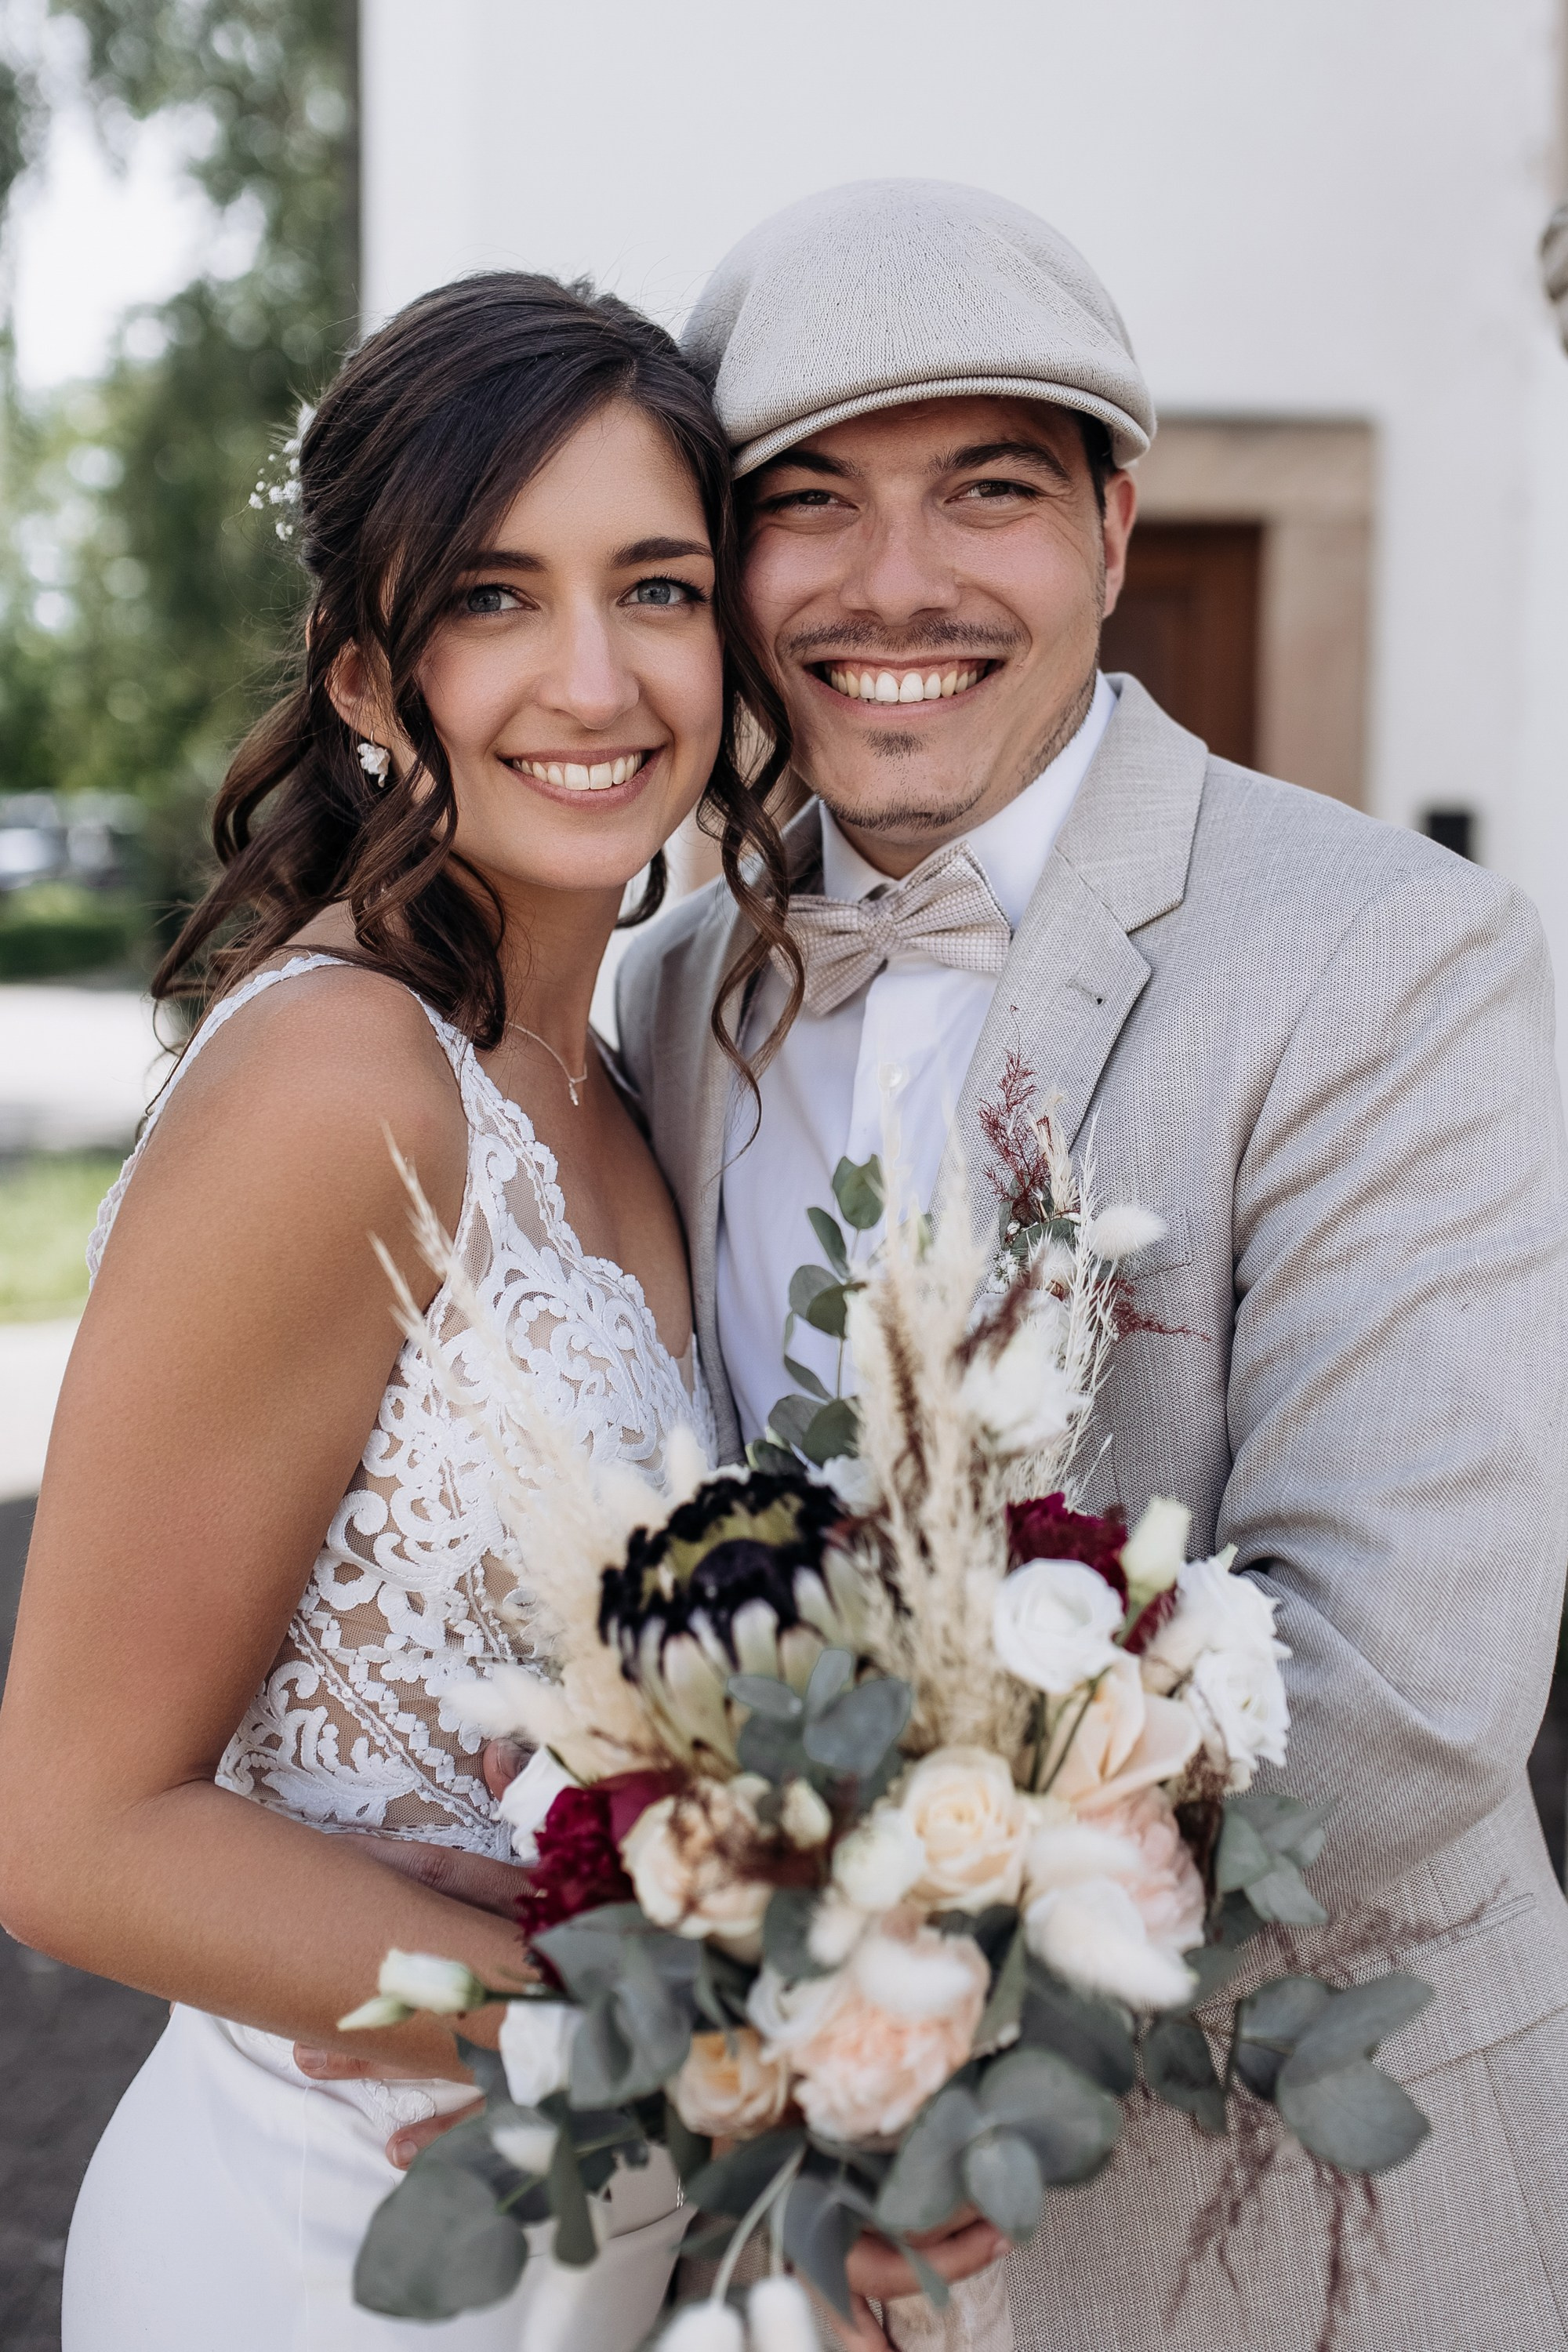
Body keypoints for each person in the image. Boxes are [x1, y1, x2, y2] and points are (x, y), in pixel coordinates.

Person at [613, 180, 1568, 2352]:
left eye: (992, 490)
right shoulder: (667, 993)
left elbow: (1400, 1687)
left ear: (1119, 531)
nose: (898, 586)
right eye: (810, 503)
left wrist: (898, 2062)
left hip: (1306, 2212)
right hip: (790, 2230)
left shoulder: (1390, 959)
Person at [0, 271, 809, 2351]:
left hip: (588, 2256)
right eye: (493, 599)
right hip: (324, 2260)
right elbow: (70, 1832)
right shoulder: (339, 1086)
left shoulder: (624, 1068)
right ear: (371, 674)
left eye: (658, 586)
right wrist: (690, 2021)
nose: (596, 675)